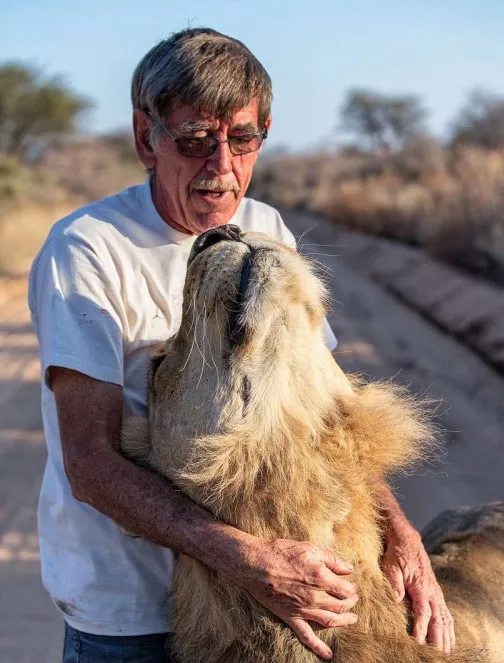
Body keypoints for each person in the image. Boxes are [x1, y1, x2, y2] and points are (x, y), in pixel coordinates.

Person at [28, 28, 455, 663]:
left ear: (264, 133)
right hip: (132, 609)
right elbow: (88, 463)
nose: (222, 167)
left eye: (243, 138)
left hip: (260, 600)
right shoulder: (87, 250)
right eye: (196, 139)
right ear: (147, 138)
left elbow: (330, 418)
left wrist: (400, 533)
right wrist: (247, 558)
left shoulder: (264, 229)